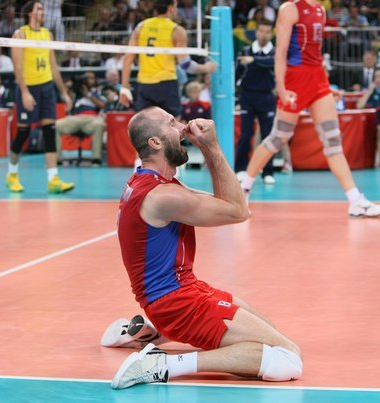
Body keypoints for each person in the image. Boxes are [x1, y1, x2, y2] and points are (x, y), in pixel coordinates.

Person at [105, 107, 302, 390]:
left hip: (182, 293)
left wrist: (208, 148)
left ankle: (147, 334)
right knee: (287, 357)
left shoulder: (153, 182)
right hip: (177, 304)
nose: (183, 127)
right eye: (172, 123)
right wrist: (211, 147)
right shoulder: (162, 196)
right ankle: (161, 364)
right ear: (155, 142)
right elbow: (239, 211)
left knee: (270, 333)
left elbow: (226, 202)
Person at [240, 0, 380, 218]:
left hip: (317, 78)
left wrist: (327, 87)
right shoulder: (290, 9)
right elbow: (280, 53)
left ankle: (355, 201)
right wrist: (281, 88)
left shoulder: (320, 9)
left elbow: (316, 54)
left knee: (333, 140)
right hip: (296, 79)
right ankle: (243, 190)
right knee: (278, 138)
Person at [6, 0, 73, 194]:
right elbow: (17, 66)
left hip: (47, 87)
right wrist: (25, 92)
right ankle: (12, 175)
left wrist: (64, 92)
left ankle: (53, 179)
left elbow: (53, 66)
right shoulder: (20, 34)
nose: (43, 11)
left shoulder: (47, 34)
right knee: (23, 132)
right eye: (40, 8)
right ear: (30, 13)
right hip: (28, 87)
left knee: (49, 131)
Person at [119, 0, 217, 118]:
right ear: (170, 8)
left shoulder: (141, 26)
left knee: (145, 125)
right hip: (166, 83)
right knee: (173, 123)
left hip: (145, 84)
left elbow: (128, 59)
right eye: (176, 7)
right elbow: (186, 65)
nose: (176, 10)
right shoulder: (176, 30)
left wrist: (124, 88)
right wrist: (206, 68)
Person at [235, 20, 277, 185]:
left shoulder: (274, 53)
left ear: (271, 34)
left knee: (268, 136)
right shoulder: (245, 50)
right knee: (245, 134)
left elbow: (272, 62)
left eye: (267, 31)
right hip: (247, 97)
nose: (264, 34)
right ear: (256, 32)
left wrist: (253, 60)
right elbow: (238, 72)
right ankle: (240, 169)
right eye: (261, 31)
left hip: (266, 97)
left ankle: (268, 172)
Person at [55, 73, 106, 166]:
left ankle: (96, 159)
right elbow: (65, 96)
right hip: (75, 118)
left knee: (100, 124)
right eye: (86, 78)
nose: (88, 79)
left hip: (91, 120)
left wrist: (88, 94)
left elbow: (102, 105)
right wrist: (69, 86)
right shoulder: (76, 92)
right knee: (56, 125)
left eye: (90, 78)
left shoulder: (97, 92)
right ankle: (57, 159)